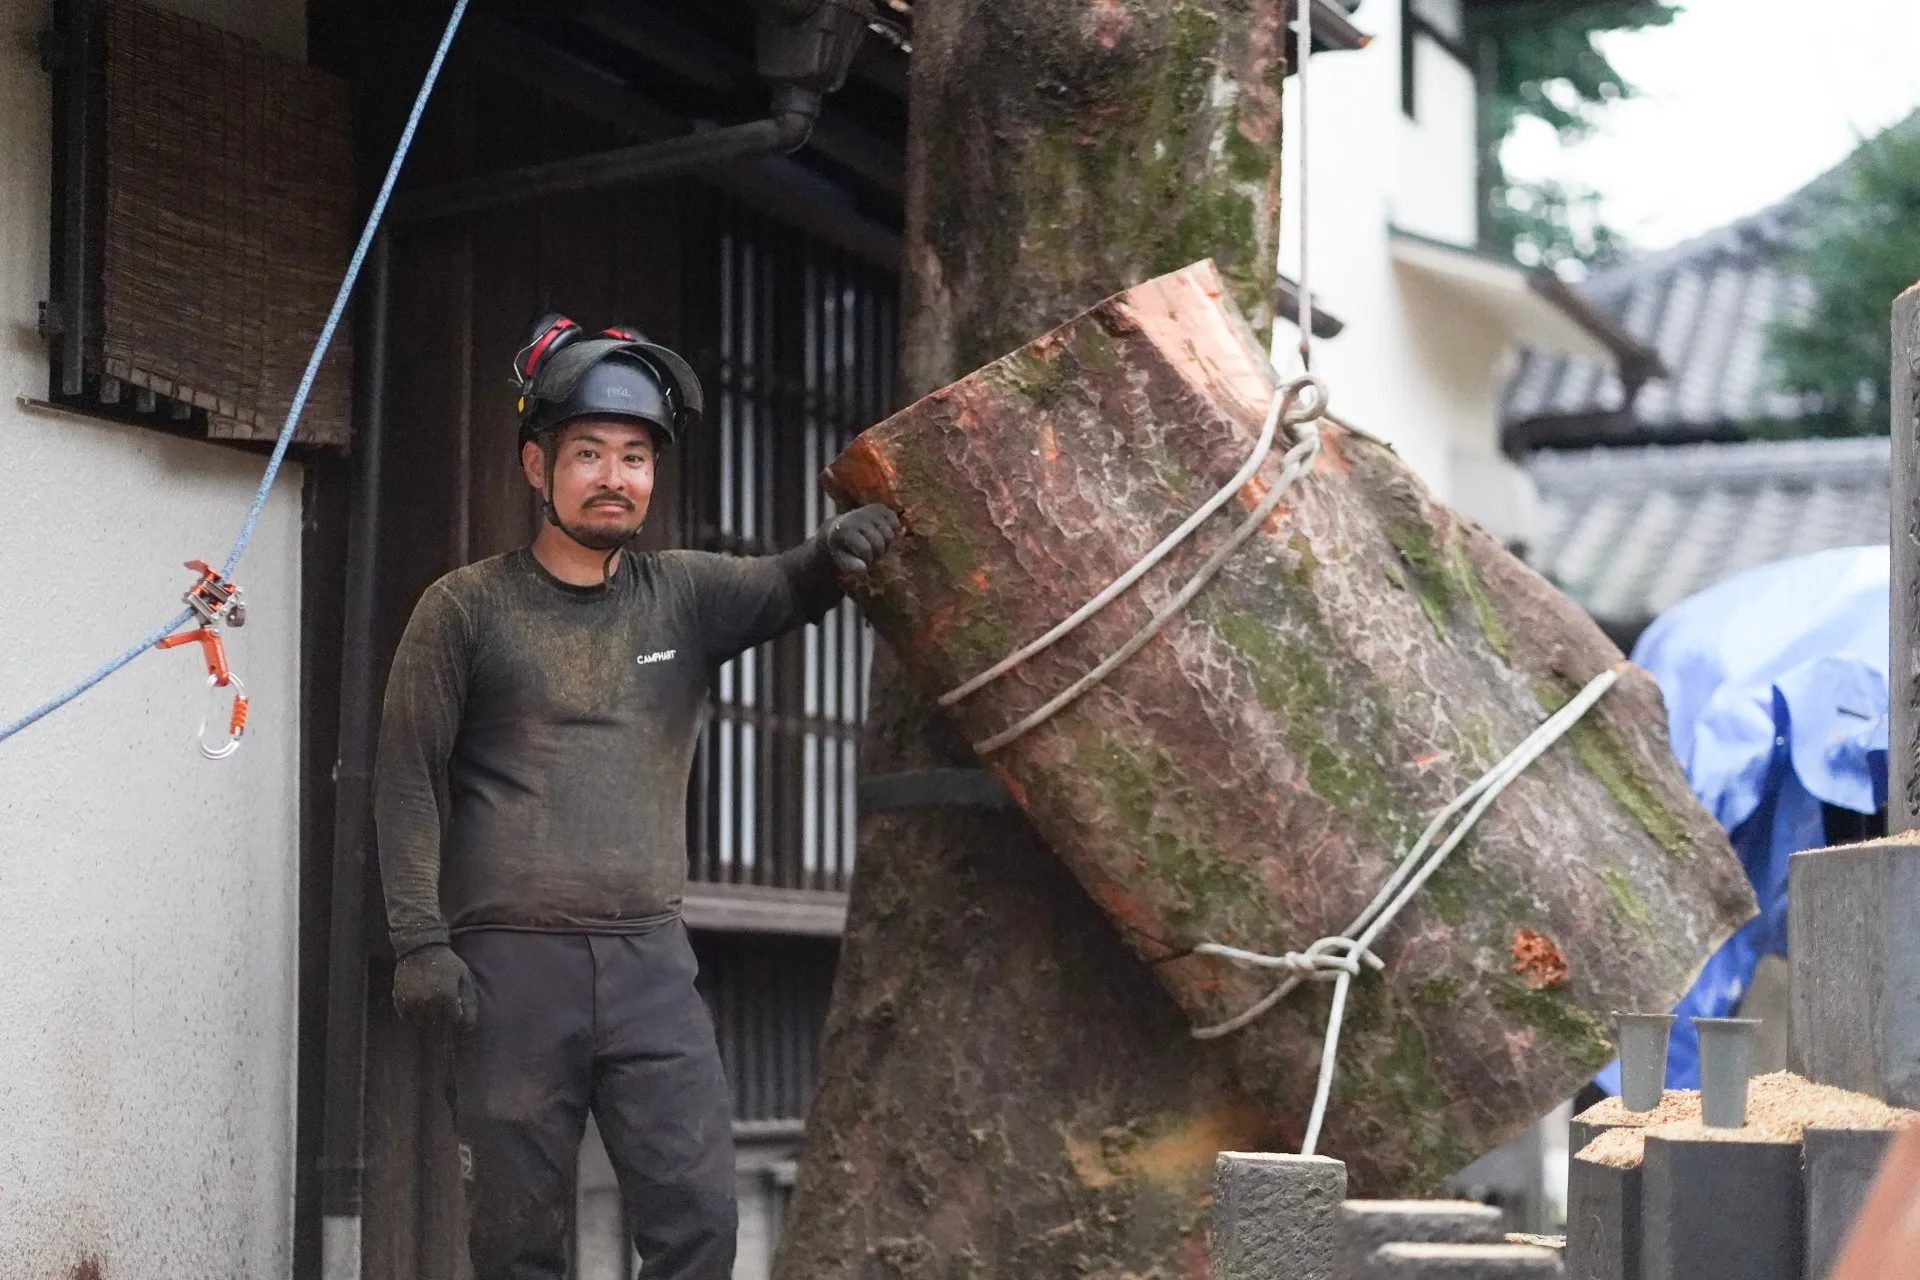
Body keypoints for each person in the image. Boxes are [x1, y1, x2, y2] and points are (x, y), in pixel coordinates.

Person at [373, 314, 901, 1280]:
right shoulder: (465, 608)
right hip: (508, 965)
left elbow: (787, 584)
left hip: (650, 960)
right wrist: (420, 941)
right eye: (587, 454)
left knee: (698, 1218)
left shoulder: (683, 596)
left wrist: (836, 549)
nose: (615, 477)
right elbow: (406, 776)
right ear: (538, 466)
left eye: (634, 456)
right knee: (517, 1236)